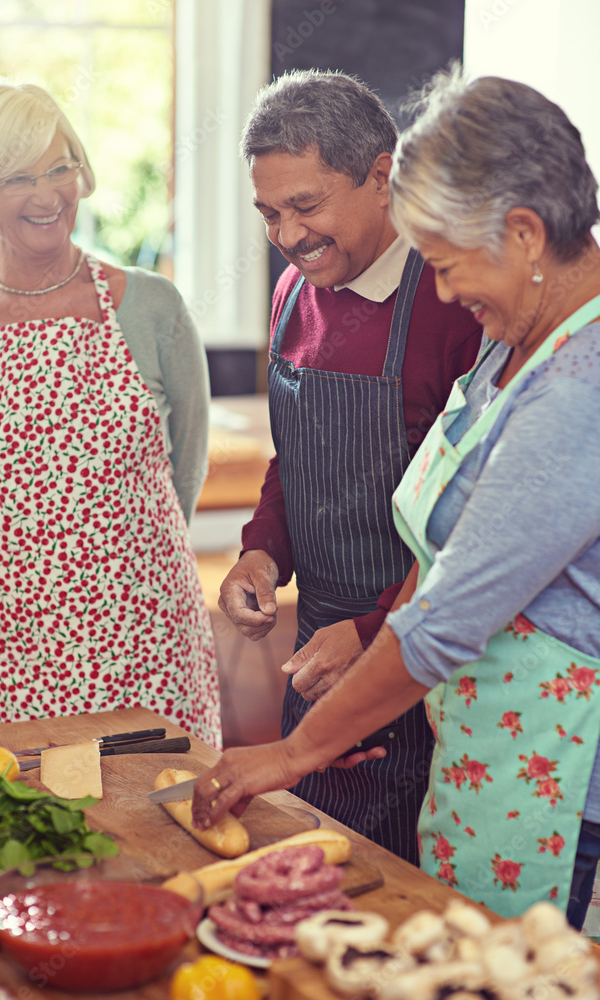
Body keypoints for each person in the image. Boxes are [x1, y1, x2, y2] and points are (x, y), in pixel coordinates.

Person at [194, 67, 600, 926]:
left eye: (451, 263)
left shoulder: (578, 387)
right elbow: (437, 536)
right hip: (462, 722)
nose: (444, 290)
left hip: (543, 762)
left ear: (523, 234)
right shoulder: (513, 344)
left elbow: (454, 608)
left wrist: (292, 748)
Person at [218, 70, 481, 863]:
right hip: (316, 660)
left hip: (421, 657)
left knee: (402, 903)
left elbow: (472, 524)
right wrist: (262, 551)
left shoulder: (453, 302)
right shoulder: (295, 293)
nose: (287, 235)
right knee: (309, 887)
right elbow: (293, 455)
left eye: (305, 205)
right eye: (268, 213)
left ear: (380, 175)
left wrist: (370, 631)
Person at [0, 79, 221, 746]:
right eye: (16, 177)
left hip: (145, 638)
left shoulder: (152, 308)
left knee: (165, 831)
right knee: (5, 839)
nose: (47, 194)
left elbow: (186, 467)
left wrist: (114, 549)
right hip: (5, 653)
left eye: (59, 167)